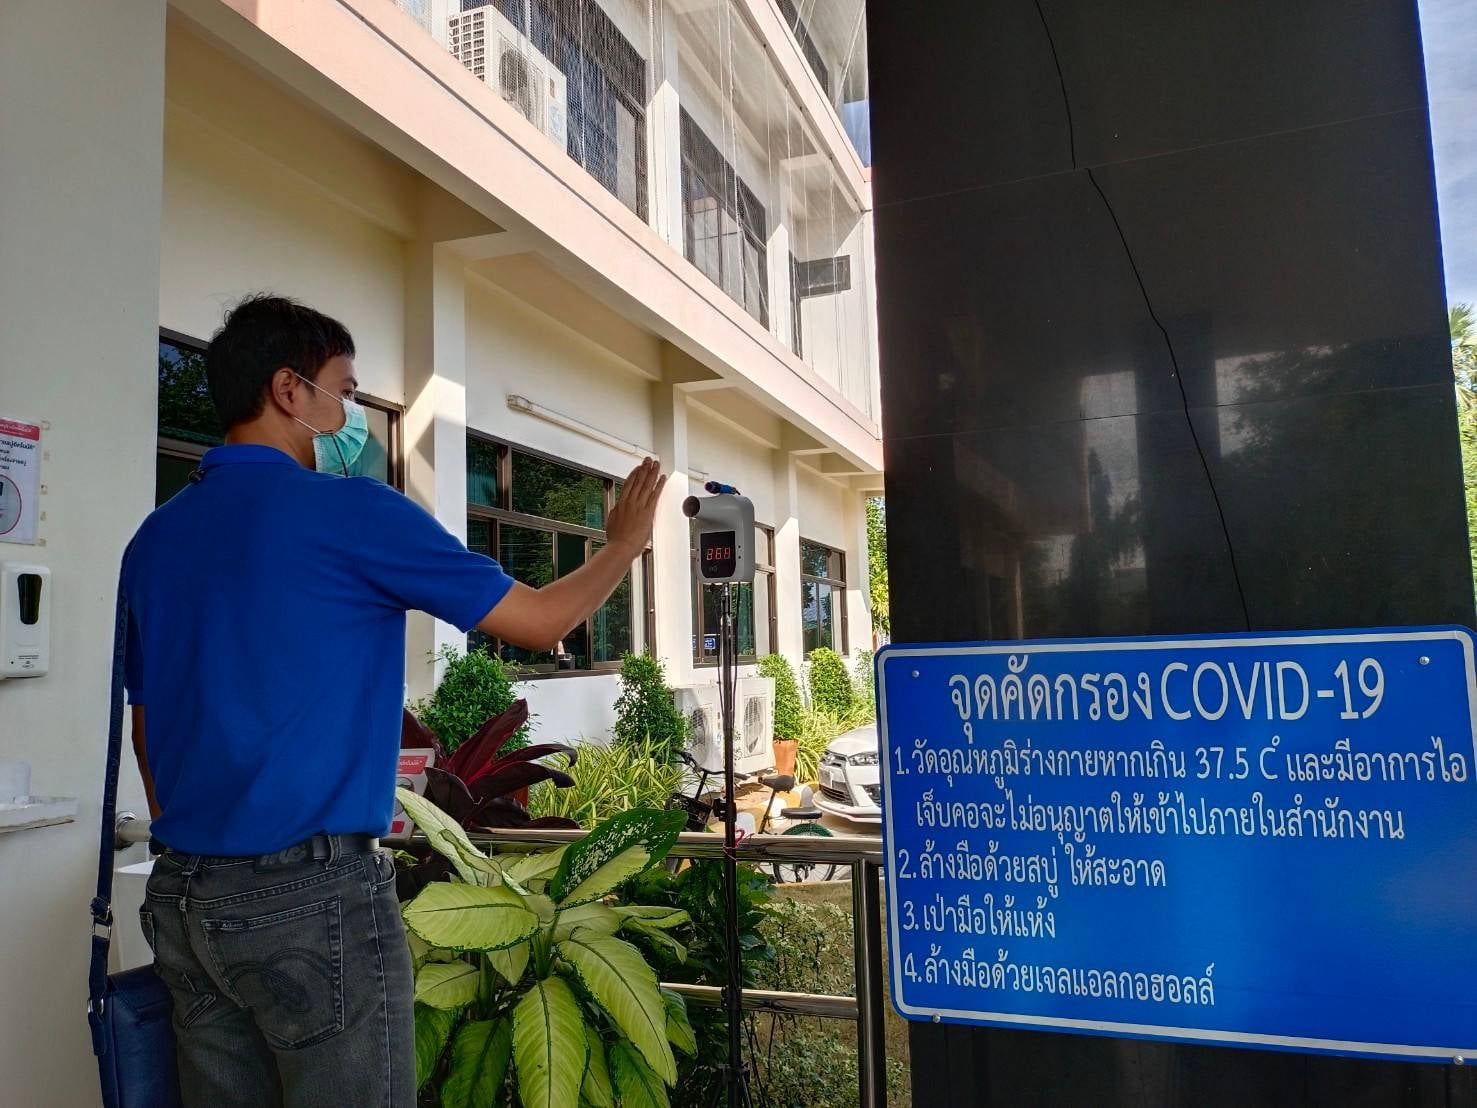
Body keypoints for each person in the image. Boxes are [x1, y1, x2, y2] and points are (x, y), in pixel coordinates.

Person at [123, 295, 666, 1107]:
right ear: (289, 390)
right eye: (343, 391)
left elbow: (147, 724)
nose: (350, 415)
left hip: (183, 896)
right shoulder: (353, 512)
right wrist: (623, 545)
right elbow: (541, 621)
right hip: (309, 897)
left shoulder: (156, 537)